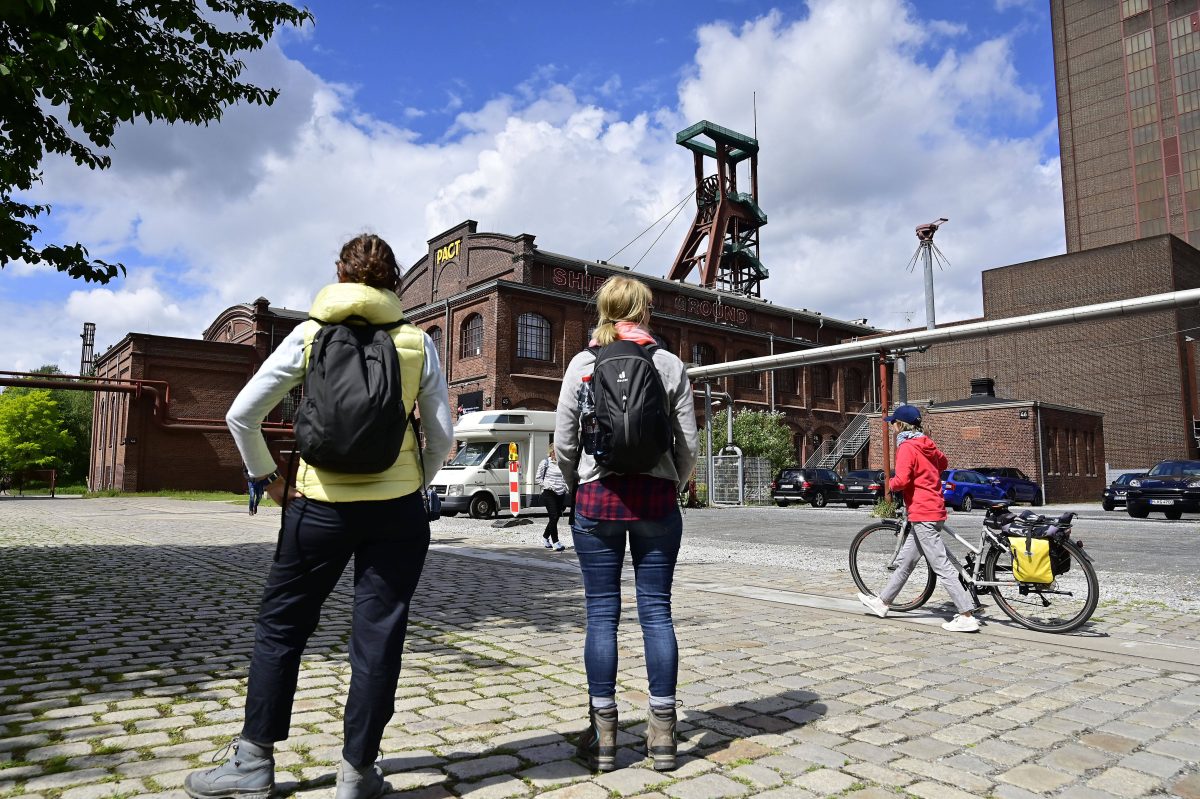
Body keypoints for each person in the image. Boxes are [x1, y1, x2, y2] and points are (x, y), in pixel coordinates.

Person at [184, 234, 454, 799]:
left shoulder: (308, 335)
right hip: (396, 514)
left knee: (281, 627)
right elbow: (443, 436)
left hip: (316, 507)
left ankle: (253, 761)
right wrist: (412, 483)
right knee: (378, 636)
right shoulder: (416, 342)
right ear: (392, 283)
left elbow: (241, 414)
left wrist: (270, 481)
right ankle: (357, 772)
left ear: (341, 275)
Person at [555, 275, 699, 773]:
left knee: (601, 616)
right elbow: (688, 446)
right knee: (657, 614)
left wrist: (578, 487)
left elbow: (565, 443)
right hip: (656, 502)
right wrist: (673, 486)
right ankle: (662, 736)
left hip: (599, 501)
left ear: (605, 311)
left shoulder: (583, 363)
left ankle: (605, 736)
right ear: (645, 310)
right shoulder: (669, 363)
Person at [857, 404, 980, 633]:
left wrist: (888, 485)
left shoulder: (907, 447)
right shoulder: (927, 444)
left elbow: (902, 480)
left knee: (941, 565)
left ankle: (966, 614)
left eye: (893, 423)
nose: (891, 427)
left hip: (924, 513)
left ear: (900, 425)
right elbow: (943, 463)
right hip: (931, 510)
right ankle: (883, 602)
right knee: (906, 561)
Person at [536, 447, 568, 550]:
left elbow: (565, 477)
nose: (557, 454)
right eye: (555, 452)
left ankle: (545, 538)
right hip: (549, 492)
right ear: (551, 452)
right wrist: (547, 485)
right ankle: (556, 542)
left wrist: (565, 487)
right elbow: (538, 478)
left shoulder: (562, 463)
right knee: (554, 516)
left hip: (561, 493)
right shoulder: (545, 463)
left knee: (556, 517)